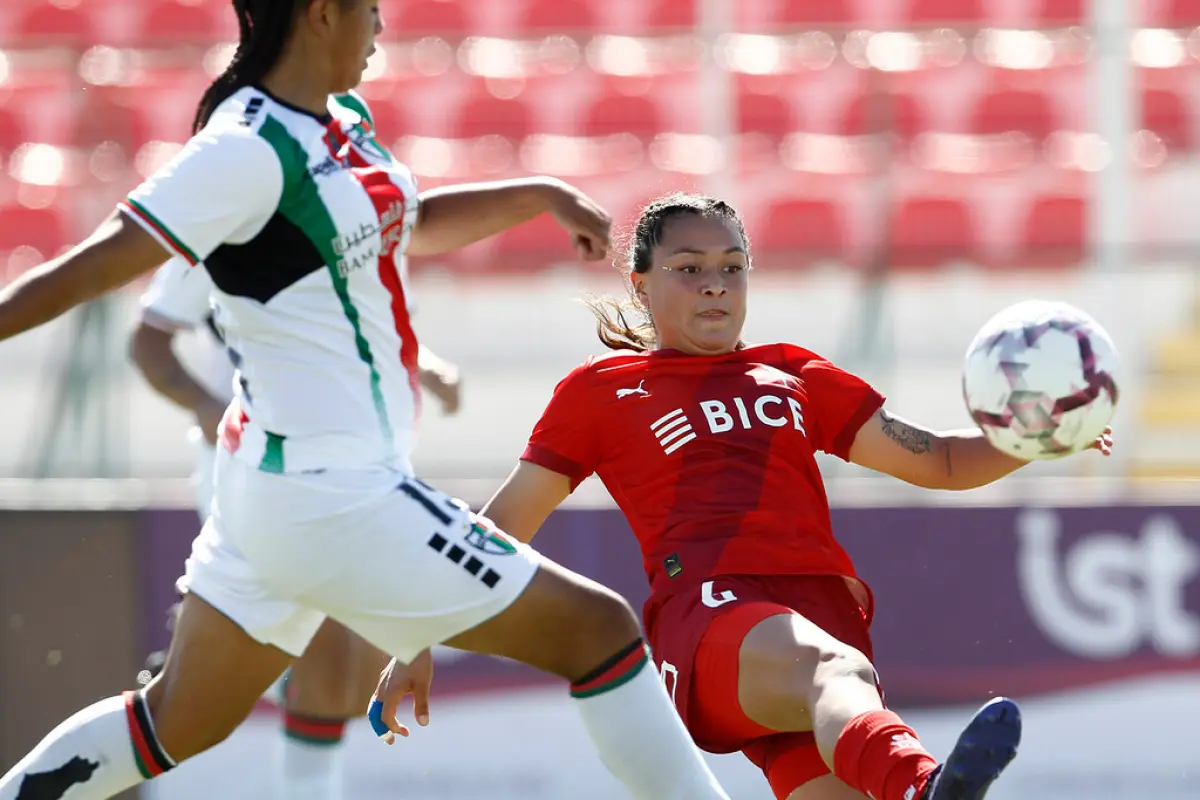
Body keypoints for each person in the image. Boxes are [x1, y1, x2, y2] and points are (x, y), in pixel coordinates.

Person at [0, 3, 731, 799]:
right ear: (320, 13)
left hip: (278, 487)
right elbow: (95, 265)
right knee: (601, 631)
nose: (382, 26)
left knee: (177, 721)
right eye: (371, 9)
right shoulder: (245, 150)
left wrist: (538, 194)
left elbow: (407, 224)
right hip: (332, 494)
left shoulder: (341, 120)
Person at [370, 193, 1115, 800]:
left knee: (835, 683)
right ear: (641, 283)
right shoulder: (602, 393)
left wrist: (1038, 439)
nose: (715, 284)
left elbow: (945, 461)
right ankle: (926, 789)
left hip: (825, 616)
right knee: (835, 675)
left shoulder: (794, 374)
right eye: (688, 268)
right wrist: (419, 634)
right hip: (712, 618)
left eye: (731, 267)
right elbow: (502, 528)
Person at [129, 255, 462, 799]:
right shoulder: (219, 223)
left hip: (354, 470)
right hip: (249, 470)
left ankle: (234, 641)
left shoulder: (361, 217)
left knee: (348, 681)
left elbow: (381, 333)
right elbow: (148, 341)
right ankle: (228, 644)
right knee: (324, 659)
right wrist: (208, 406)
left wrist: (427, 369)